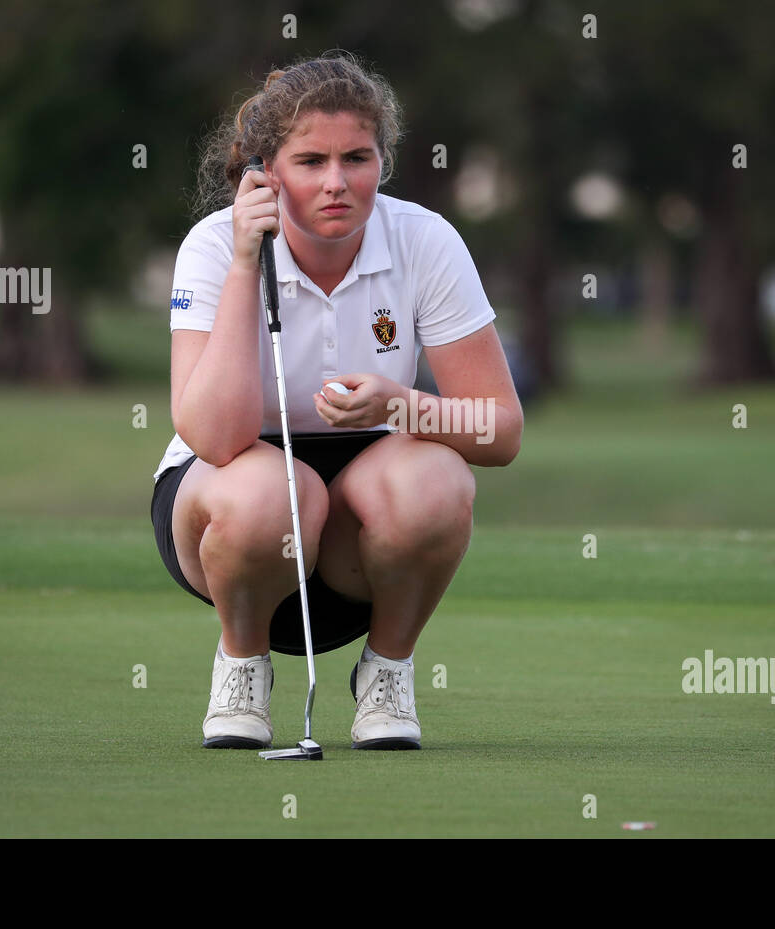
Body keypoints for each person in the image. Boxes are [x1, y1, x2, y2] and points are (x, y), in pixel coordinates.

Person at [150, 52, 522, 752]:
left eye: (356, 157)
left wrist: (400, 406)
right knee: (273, 490)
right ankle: (241, 667)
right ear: (265, 172)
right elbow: (215, 435)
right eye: (309, 160)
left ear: (383, 159)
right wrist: (242, 262)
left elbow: (499, 430)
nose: (336, 182)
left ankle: (387, 672)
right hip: (231, 522)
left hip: (361, 546)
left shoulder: (425, 241)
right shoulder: (211, 246)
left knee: (439, 479)